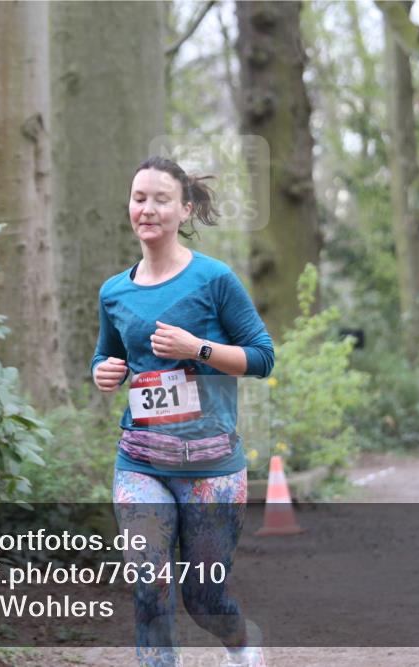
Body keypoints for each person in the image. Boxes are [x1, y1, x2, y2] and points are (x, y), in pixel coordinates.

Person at [91, 156, 274, 666]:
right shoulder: (115, 291)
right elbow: (111, 355)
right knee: (149, 587)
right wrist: (104, 371)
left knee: (204, 599)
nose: (146, 209)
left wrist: (198, 349)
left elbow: (263, 357)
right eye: (138, 198)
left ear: (185, 208)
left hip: (211, 467)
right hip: (141, 461)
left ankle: (240, 642)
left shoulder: (214, 280)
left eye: (160, 199)